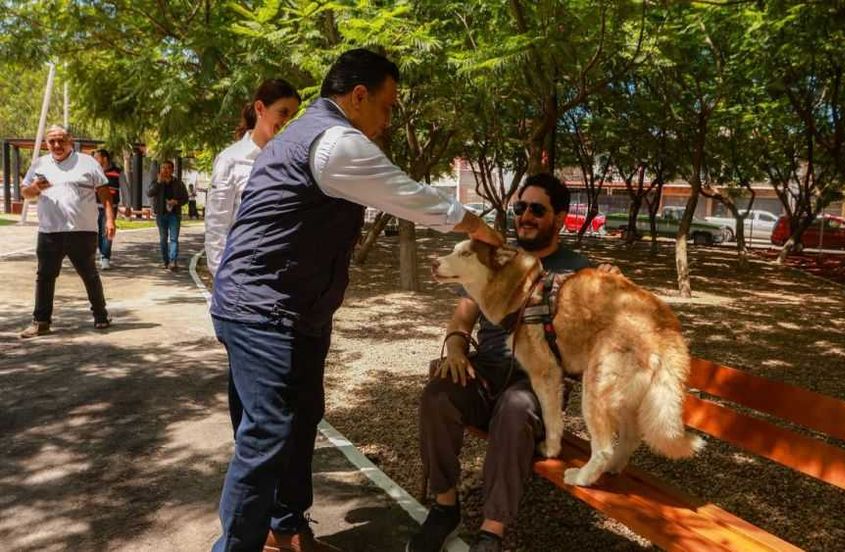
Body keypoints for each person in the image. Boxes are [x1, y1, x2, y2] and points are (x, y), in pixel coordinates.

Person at [209, 49, 502, 552]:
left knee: (299, 421)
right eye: (386, 107)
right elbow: (410, 195)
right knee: (265, 437)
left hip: (293, 309)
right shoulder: (336, 142)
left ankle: (288, 529)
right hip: (263, 309)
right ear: (359, 96)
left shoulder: (307, 134)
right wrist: (478, 226)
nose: (387, 122)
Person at [408, 174, 620, 552]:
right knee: (438, 396)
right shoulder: (495, 256)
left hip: (537, 382)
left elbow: (606, 331)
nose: (525, 216)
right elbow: (462, 316)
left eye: (537, 209)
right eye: (520, 208)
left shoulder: (579, 268)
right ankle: (444, 506)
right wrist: (456, 349)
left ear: (558, 217)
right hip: (486, 369)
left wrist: (613, 287)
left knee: (516, 407)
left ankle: (492, 531)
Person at [18, 125, 114, 338]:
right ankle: (41, 322)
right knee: (44, 276)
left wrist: (109, 219)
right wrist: (33, 189)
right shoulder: (39, 164)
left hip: (82, 230)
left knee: (89, 274)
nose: (57, 145)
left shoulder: (87, 162)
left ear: (70, 141)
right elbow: (25, 192)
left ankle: (101, 316)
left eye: (61, 140)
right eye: (52, 141)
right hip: (49, 231)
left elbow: (105, 193)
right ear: (46, 143)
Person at [205, 78, 301, 275]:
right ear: (260, 108)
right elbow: (216, 226)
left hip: (282, 278)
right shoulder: (230, 160)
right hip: (241, 278)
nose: (288, 122)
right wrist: (222, 279)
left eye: (294, 116)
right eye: (283, 112)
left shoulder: (293, 161)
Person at [147, 160, 189, 270]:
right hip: (161, 214)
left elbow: (185, 198)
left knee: (174, 238)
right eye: (163, 168)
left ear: (172, 170)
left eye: (167, 168)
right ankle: (165, 261)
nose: (165, 170)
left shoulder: (178, 183)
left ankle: (173, 261)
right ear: (160, 170)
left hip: (174, 214)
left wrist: (176, 202)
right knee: (163, 239)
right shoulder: (156, 182)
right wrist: (158, 183)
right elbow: (149, 193)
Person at [92, 149, 126, 270]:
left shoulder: (117, 172)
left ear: (104, 159)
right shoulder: (93, 172)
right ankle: (102, 254)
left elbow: (125, 190)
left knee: (107, 232)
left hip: (111, 208)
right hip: (94, 207)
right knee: (96, 233)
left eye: (97, 158)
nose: (94, 160)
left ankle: (105, 257)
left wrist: (127, 205)